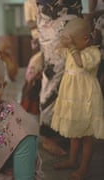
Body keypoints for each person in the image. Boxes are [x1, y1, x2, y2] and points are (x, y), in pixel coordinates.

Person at [51, 17, 104, 180]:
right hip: (72, 97)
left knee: (87, 136)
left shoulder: (93, 52)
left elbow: (80, 63)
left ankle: (84, 168)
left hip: (86, 98)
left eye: (72, 41)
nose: (69, 46)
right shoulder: (71, 50)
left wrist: (73, 48)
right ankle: (73, 160)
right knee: (75, 132)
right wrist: (64, 42)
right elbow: (57, 49)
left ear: (86, 39)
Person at [36, 0, 83, 156]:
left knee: (72, 77)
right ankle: (50, 137)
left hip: (70, 16)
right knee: (54, 77)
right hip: (54, 17)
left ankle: (66, 133)